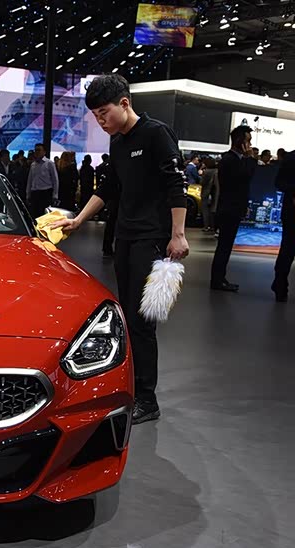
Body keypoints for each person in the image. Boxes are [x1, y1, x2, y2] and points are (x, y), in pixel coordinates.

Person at [52, 74, 189, 425]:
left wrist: (178, 235)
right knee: (126, 316)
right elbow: (109, 187)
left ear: (124, 104)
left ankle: (147, 398)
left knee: (142, 323)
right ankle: (132, 387)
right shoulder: (118, 142)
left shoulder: (156, 134)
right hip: (125, 238)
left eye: (104, 112)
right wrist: (79, 219)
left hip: (152, 238)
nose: (100, 121)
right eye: (95, 115)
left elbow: (176, 184)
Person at [210, 125, 256, 293]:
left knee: (225, 246)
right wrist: (250, 159)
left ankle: (220, 278)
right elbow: (245, 177)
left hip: (232, 208)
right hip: (229, 209)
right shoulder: (230, 160)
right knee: (224, 246)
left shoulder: (234, 160)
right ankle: (217, 280)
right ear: (239, 141)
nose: (249, 145)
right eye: (247, 141)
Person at [272, 149, 295, 302]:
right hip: (292, 212)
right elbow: (280, 183)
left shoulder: (290, 157)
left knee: (287, 249)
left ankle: (279, 285)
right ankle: (280, 284)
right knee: (287, 250)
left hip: (290, 210)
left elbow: (279, 183)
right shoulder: (291, 158)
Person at [25, 142, 58, 218]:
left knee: (44, 216)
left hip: (45, 193)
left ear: (44, 152)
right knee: (34, 215)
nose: (37, 152)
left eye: (39, 150)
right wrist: (28, 194)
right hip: (35, 193)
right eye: (36, 150)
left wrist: (55, 195)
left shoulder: (49, 163)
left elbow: (55, 180)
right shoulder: (33, 164)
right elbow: (30, 180)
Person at [199, 156, 219, 233]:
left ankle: (206, 226)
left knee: (205, 210)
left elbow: (202, 182)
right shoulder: (217, 171)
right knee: (213, 210)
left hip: (206, 193)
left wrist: (201, 172)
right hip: (215, 193)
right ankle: (213, 226)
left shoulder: (206, 172)